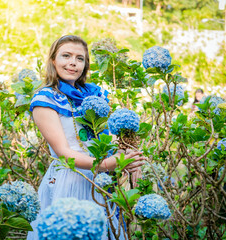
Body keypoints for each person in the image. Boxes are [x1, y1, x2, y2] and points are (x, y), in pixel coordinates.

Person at [27, 35, 145, 239]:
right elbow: (64, 153)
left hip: (102, 180)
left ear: (85, 65)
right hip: (70, 179)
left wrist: (128, 158)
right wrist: (109, 164)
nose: (73, 62)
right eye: (66, 55)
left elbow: (107, 139)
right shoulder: (44, 100)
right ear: (53, 60)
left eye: (79, 58)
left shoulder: (94, 96)